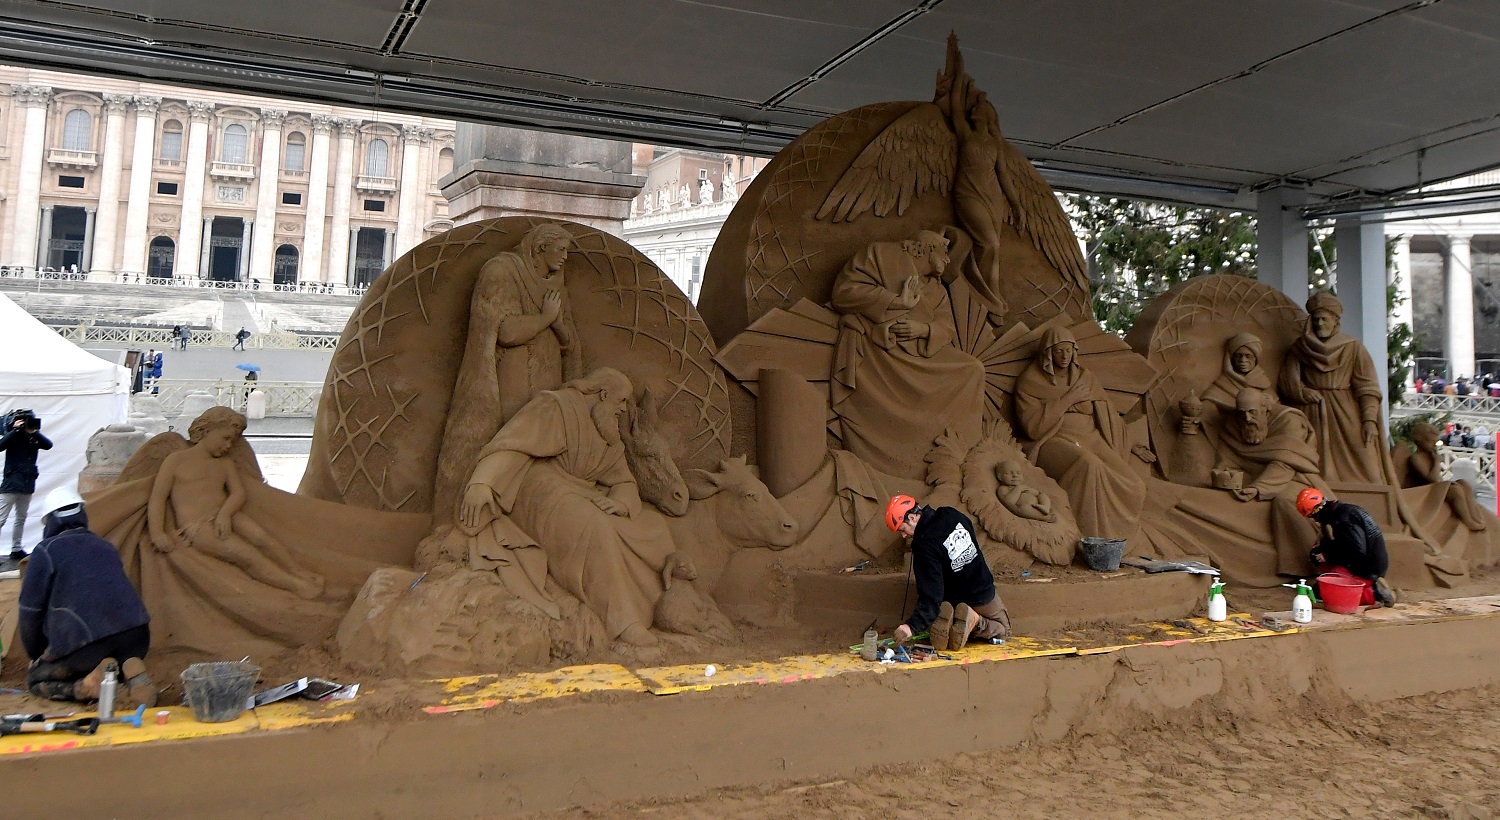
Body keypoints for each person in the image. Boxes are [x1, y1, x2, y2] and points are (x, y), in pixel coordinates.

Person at [460, 368, 676, 646]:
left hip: (580, 493)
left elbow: (623, 480)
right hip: (539, 489)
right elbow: (511, 445)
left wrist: (619, 503)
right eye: (621, 401)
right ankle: (623, 622)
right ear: (603, 394)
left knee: (652, 526)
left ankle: (663, 606)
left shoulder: (607, 433)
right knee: (594, 526)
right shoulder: (556, 406)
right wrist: (482, 483)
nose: (623, 410)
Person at [434, 223, 583, 519]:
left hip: (548, 377)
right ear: (541, 247)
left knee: (542, 446)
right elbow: (506, 332)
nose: (565, 257)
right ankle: (489, 511)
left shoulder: (556, 287)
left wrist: (556, 325)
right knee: (511, 441)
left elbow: (569, 342)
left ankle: (528, 514)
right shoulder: (502, 271)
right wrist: (544, 318)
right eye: (561, 249)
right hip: (513, 376)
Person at [829, 230, 986, 479]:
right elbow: (844, 293)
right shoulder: (880, 255)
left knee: (972, 369)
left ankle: (958, 455)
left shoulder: (937, 289)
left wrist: (924, 329)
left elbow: (947, 327)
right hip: (880, 350)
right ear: (926, 248)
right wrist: (895, 302)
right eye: (945, 253)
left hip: (921, 351)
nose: (947, 261)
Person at [148, 407, 324, 599]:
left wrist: (225, 513)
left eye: (233, 440)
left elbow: (238, 493)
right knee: (247, 555)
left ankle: (296, 571)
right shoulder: (176, 461)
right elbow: (158, 498)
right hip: (198, 527)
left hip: (226, 515)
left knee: (262, 538)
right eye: (225, 438)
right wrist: (157, 533)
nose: (229, 445)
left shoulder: (224, 464)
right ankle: (296, 586)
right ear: (206, 430)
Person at [19, 486, 155, 705]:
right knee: (114, 660)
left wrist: (37, 655)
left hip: (87, 645)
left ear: (50, 521)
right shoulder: (105, 546)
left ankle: (85, 687)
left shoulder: (45, 551)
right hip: (137, 638)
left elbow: (30, 613)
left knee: (35, 680)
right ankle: (131, 668)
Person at [1014, 325, 1152, 539]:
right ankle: (1084, 536)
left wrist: (1131, 442)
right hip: (1053, 439)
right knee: (1089, 465)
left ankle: (1121, 539)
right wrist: (1068, 400)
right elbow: (1033, 428)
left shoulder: (1084, 377)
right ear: (1048, 353)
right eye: (1059, 350)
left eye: (1069, 350)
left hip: (1091, 437)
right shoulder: (1030, 381)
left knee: (1134, 484)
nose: (1064, 356)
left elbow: (1107, 414)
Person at [1278, 290, 1385, 484]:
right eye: (1316, 319)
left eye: (1324, 319)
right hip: (1311, 411)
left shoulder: (1353, 347)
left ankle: (1371, 501)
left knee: (1366, 463)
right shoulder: (1300, 348)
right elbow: (1288, 381)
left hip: (1346, 412)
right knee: (1313, 464)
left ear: (1336, 320)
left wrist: (1369, 419)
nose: (1319, 323)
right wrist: (1303, 392)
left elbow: (1367, 386)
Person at [887, 495, 1011, 650]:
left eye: (902, 530)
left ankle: (964, 620)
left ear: (912, 518)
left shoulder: (924, 547)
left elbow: (930, 593)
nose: (903, 536)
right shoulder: (951, 514)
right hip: (983, 590)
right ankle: (972, 621)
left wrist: (911, 627)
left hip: (954, 597)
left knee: (1004, 631)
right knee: (1003, 631)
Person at [1296, 488, 1397, 607]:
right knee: (1316, 554)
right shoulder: (1343, 512)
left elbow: (1358, 550)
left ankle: (1375, 592)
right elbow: (1346, 542)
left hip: (1367, 569)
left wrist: (1328, 556)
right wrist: (1325, 547)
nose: (1315, 520)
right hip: (1366, 563)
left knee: (1321, 592)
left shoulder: (1344, 518)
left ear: (1318, 511)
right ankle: (1343, 579)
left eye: (1314, 516)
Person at [0, 409, 53, 576]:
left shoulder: (33, 438)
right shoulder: (13, 437)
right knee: (1, 518)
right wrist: (16, 430)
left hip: (27, 484)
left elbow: (48, 445)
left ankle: (16, 548)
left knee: (21, 518)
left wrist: (34, 432)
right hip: (11, 484)